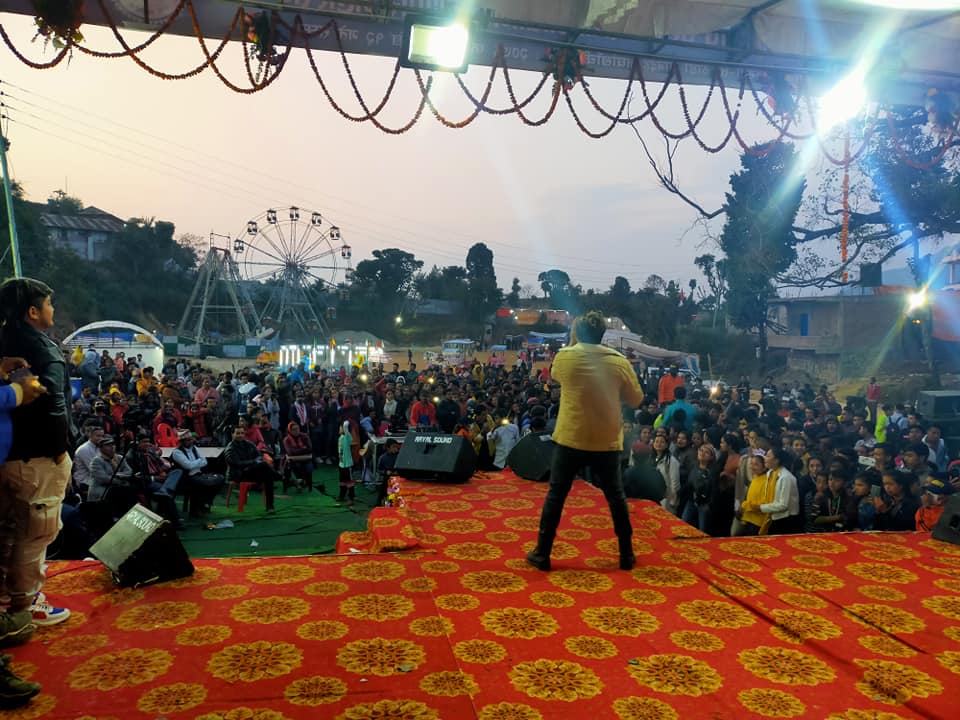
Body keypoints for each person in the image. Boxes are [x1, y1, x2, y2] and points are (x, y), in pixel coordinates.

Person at [526, 311, 644, 572]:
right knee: (616, 496)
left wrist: (572, 343)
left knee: (556, 495)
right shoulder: (619, 361)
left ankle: (542, 553)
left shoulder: (566, 356)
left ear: (577, 333)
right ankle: (626, 554)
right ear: (602, 333)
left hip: (571, 437)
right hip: (607, 440)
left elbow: (555, 375)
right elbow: (636, 399)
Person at [0, 278, 74, 649]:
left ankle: (7, 600)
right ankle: (25, 606)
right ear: (33, 311)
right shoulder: (42, 348)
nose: (52, 310)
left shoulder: (4, 340)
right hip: (37, 457)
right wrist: (59, 449)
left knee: (8, 531)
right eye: (48, 304)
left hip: (7, 455)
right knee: (36, 533)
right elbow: (54, 405)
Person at [169, 429, 223, 516]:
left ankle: (206, 502)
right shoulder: (177, 452)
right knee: (202, 484)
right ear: (181, 441)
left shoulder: (195, 448)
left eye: (191, 439)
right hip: (184, 478)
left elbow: (205, 462)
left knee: (219, 479)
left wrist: (194, 463)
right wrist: (198, 461)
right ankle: (198, 508)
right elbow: (188, 466)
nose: (191, 441)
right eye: (188, 440)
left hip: (197, 475)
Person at [224, 426, 277, 512]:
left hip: (251, 471)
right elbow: (236, 464)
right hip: (238, 474)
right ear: (232, 434)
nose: (240, 435)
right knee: (263, 465)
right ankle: (278, 476)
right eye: (238, 433)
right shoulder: (230, 448)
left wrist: (254, 463)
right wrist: (253, 462)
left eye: (242, 433)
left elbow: (259, 456)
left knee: (268, 476)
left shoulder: (249, 444)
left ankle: (270, 506)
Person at [336, 421, 356, 507]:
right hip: (341, 464)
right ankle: (342, 495)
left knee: (349, 483)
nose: (339, 429)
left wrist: (345, 425)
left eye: (340, 428)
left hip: (348, 465)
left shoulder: (347, 437)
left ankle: (351, 498)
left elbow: (346, 425)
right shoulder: (340, 438)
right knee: (342, 481)